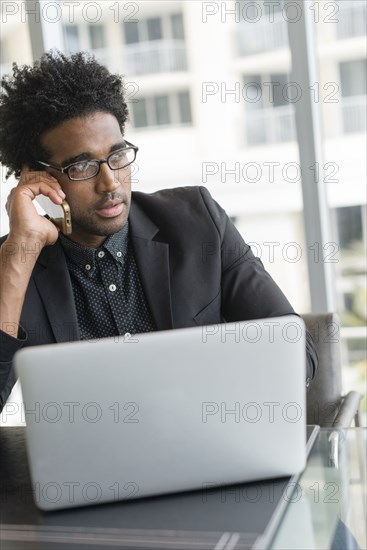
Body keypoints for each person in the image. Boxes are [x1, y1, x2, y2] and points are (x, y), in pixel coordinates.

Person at [0, 51, 317, 412]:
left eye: (118, 156)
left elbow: (293, 348)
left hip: (214, 447)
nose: (110, 183)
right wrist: (17, 255)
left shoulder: (198, 222)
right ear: (36, 176)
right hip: (94, 466)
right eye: (82, 166)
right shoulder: (16, 265)